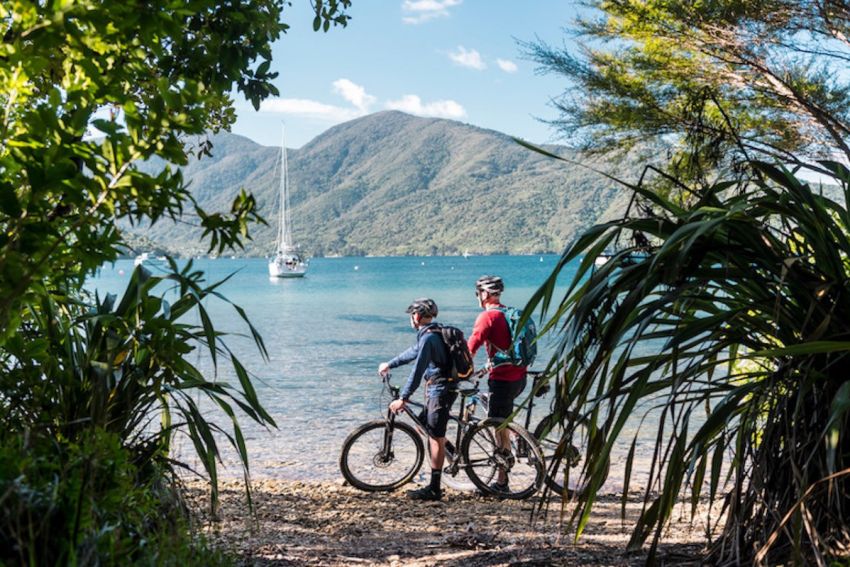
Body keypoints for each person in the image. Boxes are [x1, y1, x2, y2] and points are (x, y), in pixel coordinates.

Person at [378, 298, 457, 501]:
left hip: (440, 389)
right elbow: (413, 353)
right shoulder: (432, 333)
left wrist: (403, 398)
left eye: (411, 315)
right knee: (424, 425)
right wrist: (390, 364)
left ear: (417, 316)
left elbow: (418, 369)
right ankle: (453, 452)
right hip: (442, 386)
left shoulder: (428, 338)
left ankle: (434, 488)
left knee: (435, 436)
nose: (411, 319)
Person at [467, 275, 527, 493]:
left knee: (497, 426)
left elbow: (470, 349)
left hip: (502, 380)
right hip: (520, 377)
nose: (477, 298)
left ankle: (502, 482)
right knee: (504, 419)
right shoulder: (509, 313)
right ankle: (518, 436)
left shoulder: (487, 317)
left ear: (484, 294)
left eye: (477, 293)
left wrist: (458, 370)